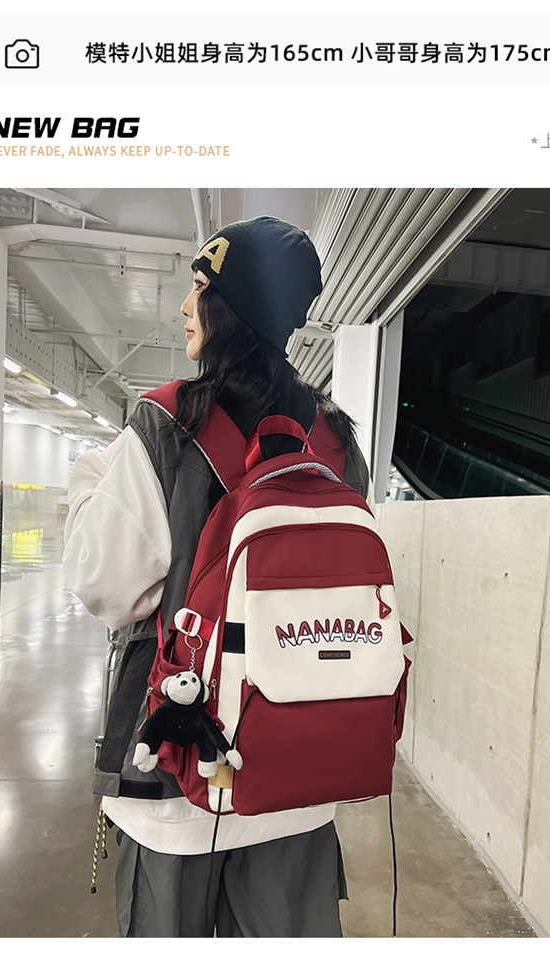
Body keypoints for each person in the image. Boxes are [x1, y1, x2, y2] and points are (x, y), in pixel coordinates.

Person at [63, 215, 371, 938]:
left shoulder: (168, 425)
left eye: (198, 286)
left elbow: (102, 581)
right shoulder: (336, 443)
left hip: (180, 776)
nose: (185, 304)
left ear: (231, 307)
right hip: (301, 775)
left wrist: (88, 480)